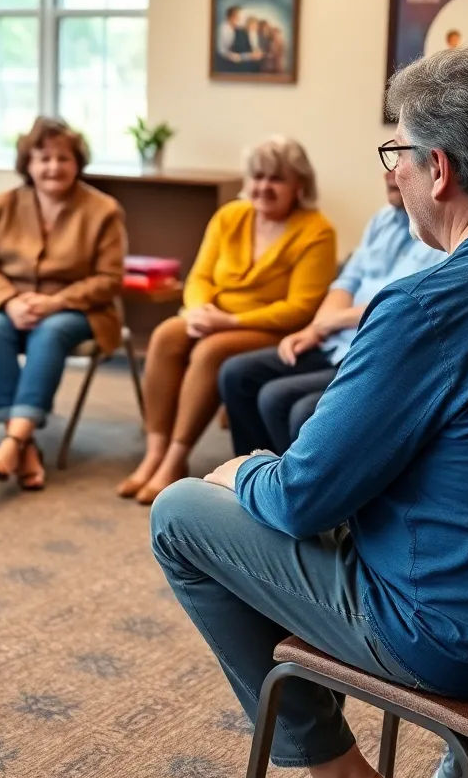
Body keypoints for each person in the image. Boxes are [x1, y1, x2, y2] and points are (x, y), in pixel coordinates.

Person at [151, 47, 468, 778]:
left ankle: (342, 777)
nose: (391, 172)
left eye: (397, 150)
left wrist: (247, 470)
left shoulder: (429, 305)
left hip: (453, 640)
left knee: (181, 510)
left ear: (440, 170)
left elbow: (302, 499)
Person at [119, 136, 335, 504]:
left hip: (272, 328)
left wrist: (229, 322)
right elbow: (200, 275)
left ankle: (175, 458)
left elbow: (300, 307)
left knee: (211, 351)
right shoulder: (230, 216)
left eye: (276, 179)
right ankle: (154, 452)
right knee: (166, 335)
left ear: (299, 185)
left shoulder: (317, 231)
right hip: (215, 317)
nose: (264, 187)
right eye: (258, 176)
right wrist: (198, 310)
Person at [218, 168, 445, 455]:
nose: (390, 173)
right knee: (237, 373)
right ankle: (247, 477)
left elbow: (405, 308)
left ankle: (284, 487)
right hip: (336, 340)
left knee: (280, 400)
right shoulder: (382, 220)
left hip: (371, 350)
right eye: (387, 163)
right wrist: (315, 329)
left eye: (400, 160)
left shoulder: (440, 233)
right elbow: (346, 283)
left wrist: (331, 322)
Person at [0, 117, 125, 490]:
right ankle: (25, 447)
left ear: (78, 162)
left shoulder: (103, 209)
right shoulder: (4, 204)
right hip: (12, 304)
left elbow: (110, 280)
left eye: (63, 158)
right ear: (28, 163)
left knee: (50, 331)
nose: (53, 167)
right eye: (44, 158)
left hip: (78, 310)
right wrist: (9, 302)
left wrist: (55, 302)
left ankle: (12, 441)